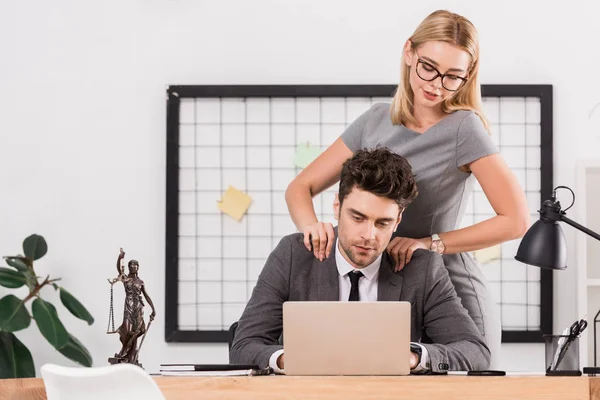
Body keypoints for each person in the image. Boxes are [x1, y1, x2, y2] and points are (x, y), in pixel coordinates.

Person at [284, 10, 530, 368]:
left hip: (449, 287)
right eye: (428, 67)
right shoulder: (374, 121)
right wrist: (312, 228)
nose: (436, 84)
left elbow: (516, 220)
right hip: (385, 288)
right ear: (409, 53)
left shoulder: (465, 128)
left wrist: (428, 244)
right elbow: (299, 187)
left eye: (453, 77)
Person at [230, 148, 491, 374]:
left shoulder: (421, 268)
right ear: (337, 207)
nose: (369, 235)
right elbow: (244, 347)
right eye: (357, 218)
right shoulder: (293, 255)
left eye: (383, 223)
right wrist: (291, 360)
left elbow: (474, 351)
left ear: (398, 220)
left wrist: (413, 357)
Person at [108, 248, 156, 365]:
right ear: (129, 268)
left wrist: (153, 309)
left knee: (138, 331)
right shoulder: (126, 278)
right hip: (128, 306)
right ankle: (125, 351)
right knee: (128, 330)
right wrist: (121, 257)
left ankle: (130, 354)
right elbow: (119, 269)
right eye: (132, 267)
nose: (134, 269)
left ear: (138, 268)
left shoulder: (140, 282)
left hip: (138, 308)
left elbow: (146, 296)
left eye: (136, 267)